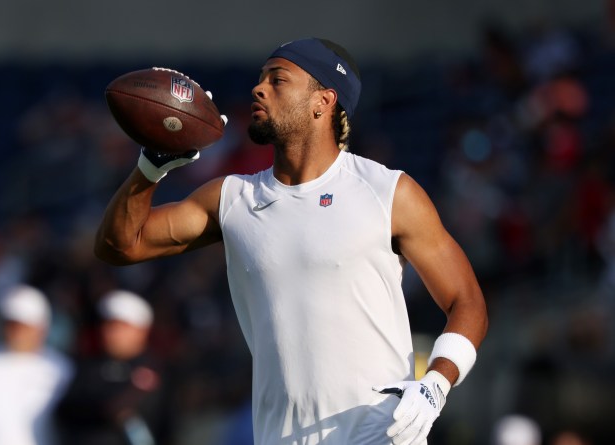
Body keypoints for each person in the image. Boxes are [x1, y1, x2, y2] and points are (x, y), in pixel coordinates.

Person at [95, 37, 488, 445]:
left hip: (380, 435)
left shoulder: (389, 192)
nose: (258, 88)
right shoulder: (230, 198)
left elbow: (468, 301)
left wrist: (437, 383)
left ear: (324, 101)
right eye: (260, 77)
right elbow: (119, 246)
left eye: (277, 79)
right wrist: (151, 166)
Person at [56, 289, 168, 445]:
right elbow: (67, 410)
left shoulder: (156, 371)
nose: (112, 333)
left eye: (121, 327)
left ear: (142, 331)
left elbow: (166, 423)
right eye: (109, 326)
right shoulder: (88, 365)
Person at [0, 284, 73, 445]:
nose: (16, 332)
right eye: (12, 324)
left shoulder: (61, 368)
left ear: (41, 327)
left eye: (24, 326)